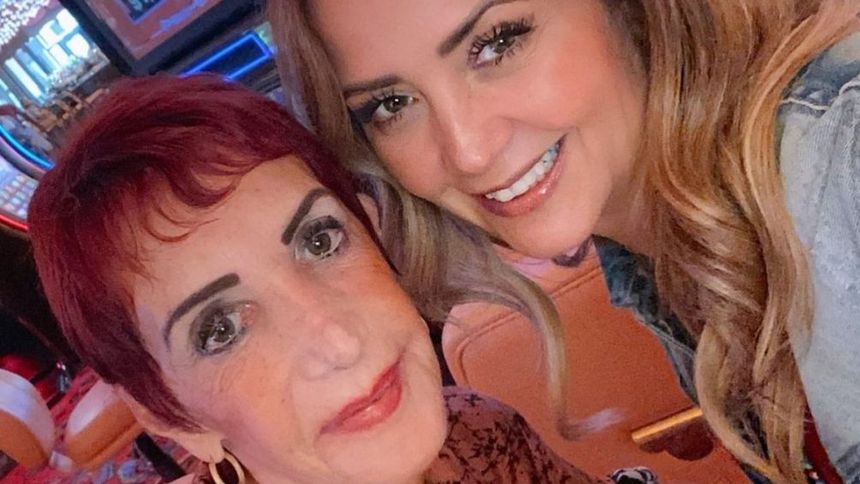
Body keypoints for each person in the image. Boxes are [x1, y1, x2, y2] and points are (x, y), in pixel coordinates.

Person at [267, 1, 860, 481]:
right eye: (391, 104)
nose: (468, 151)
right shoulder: (655, 254)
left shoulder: (838, 157)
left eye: (498, 42)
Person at [27, 75, 656, 484]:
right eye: (219, 329)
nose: (339, 341)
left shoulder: (477, 431)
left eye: (319, 240)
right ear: (171, 413)